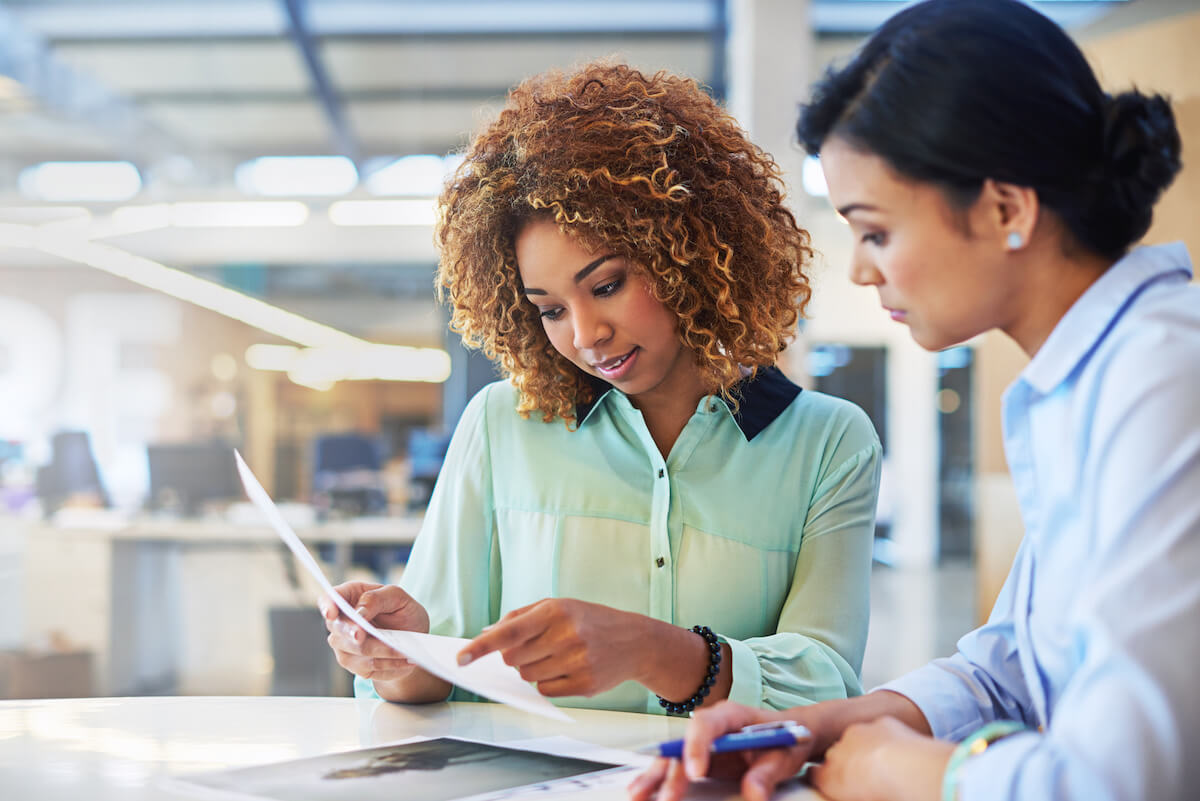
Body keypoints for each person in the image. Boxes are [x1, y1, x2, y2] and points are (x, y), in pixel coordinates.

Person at [630, 0, 1197, 799]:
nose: (861, 270)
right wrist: (831, 726)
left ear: (1006, 208)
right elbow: (1011, 669)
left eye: (876, 231)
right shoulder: (1080, 382)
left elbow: (1124, 779)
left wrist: (903, 770)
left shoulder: (1164, 378)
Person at [318, 61, 882, 716]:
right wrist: (400, 653)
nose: (586, 334)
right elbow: (437, 673)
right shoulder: (501, 425)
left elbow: (831, 682)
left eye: (607, 285)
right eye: (551, 309)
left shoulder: (828, 443)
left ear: (688, 251)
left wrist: (655, 650)